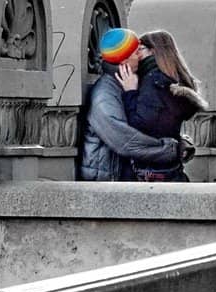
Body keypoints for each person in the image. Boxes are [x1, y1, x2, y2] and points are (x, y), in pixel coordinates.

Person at [79, 27, 190, 182]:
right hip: (107, 183)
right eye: (135, 51)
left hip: (126, 178)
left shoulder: (130, 82)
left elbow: (147, 124)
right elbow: (126, 141)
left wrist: (179, 141)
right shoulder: (104, 95)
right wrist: (171, 149)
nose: (140, 55)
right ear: (124, 59)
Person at [115, 29, 208, 183]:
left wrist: (130, 92)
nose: (135, 54)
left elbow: (140, 125)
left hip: (149, 173)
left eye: (139, 49)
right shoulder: (171, 81)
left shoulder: (153, 81)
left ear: (152, 52)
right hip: (171, 171)